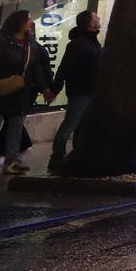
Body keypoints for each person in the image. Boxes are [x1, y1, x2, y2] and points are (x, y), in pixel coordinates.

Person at [0, 10, 53, 175]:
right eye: (28, 20)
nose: (31, 22)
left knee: (16, 126)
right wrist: (2, 81)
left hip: (20, 92)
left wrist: (45, 89)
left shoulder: (30, 45)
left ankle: (11, 161)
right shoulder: (1, 44)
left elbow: (36, 69)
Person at [49, 10, 103, 172]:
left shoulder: (92, 43)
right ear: (90, 23)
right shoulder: (78, 44)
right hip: (80, 90)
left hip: (89, 89)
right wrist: (55, 88)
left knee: (81, 124)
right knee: (71, 123)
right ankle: (57, 156)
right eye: (95, 17)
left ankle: (77, 155)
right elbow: (65, 67)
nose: (98, 18)